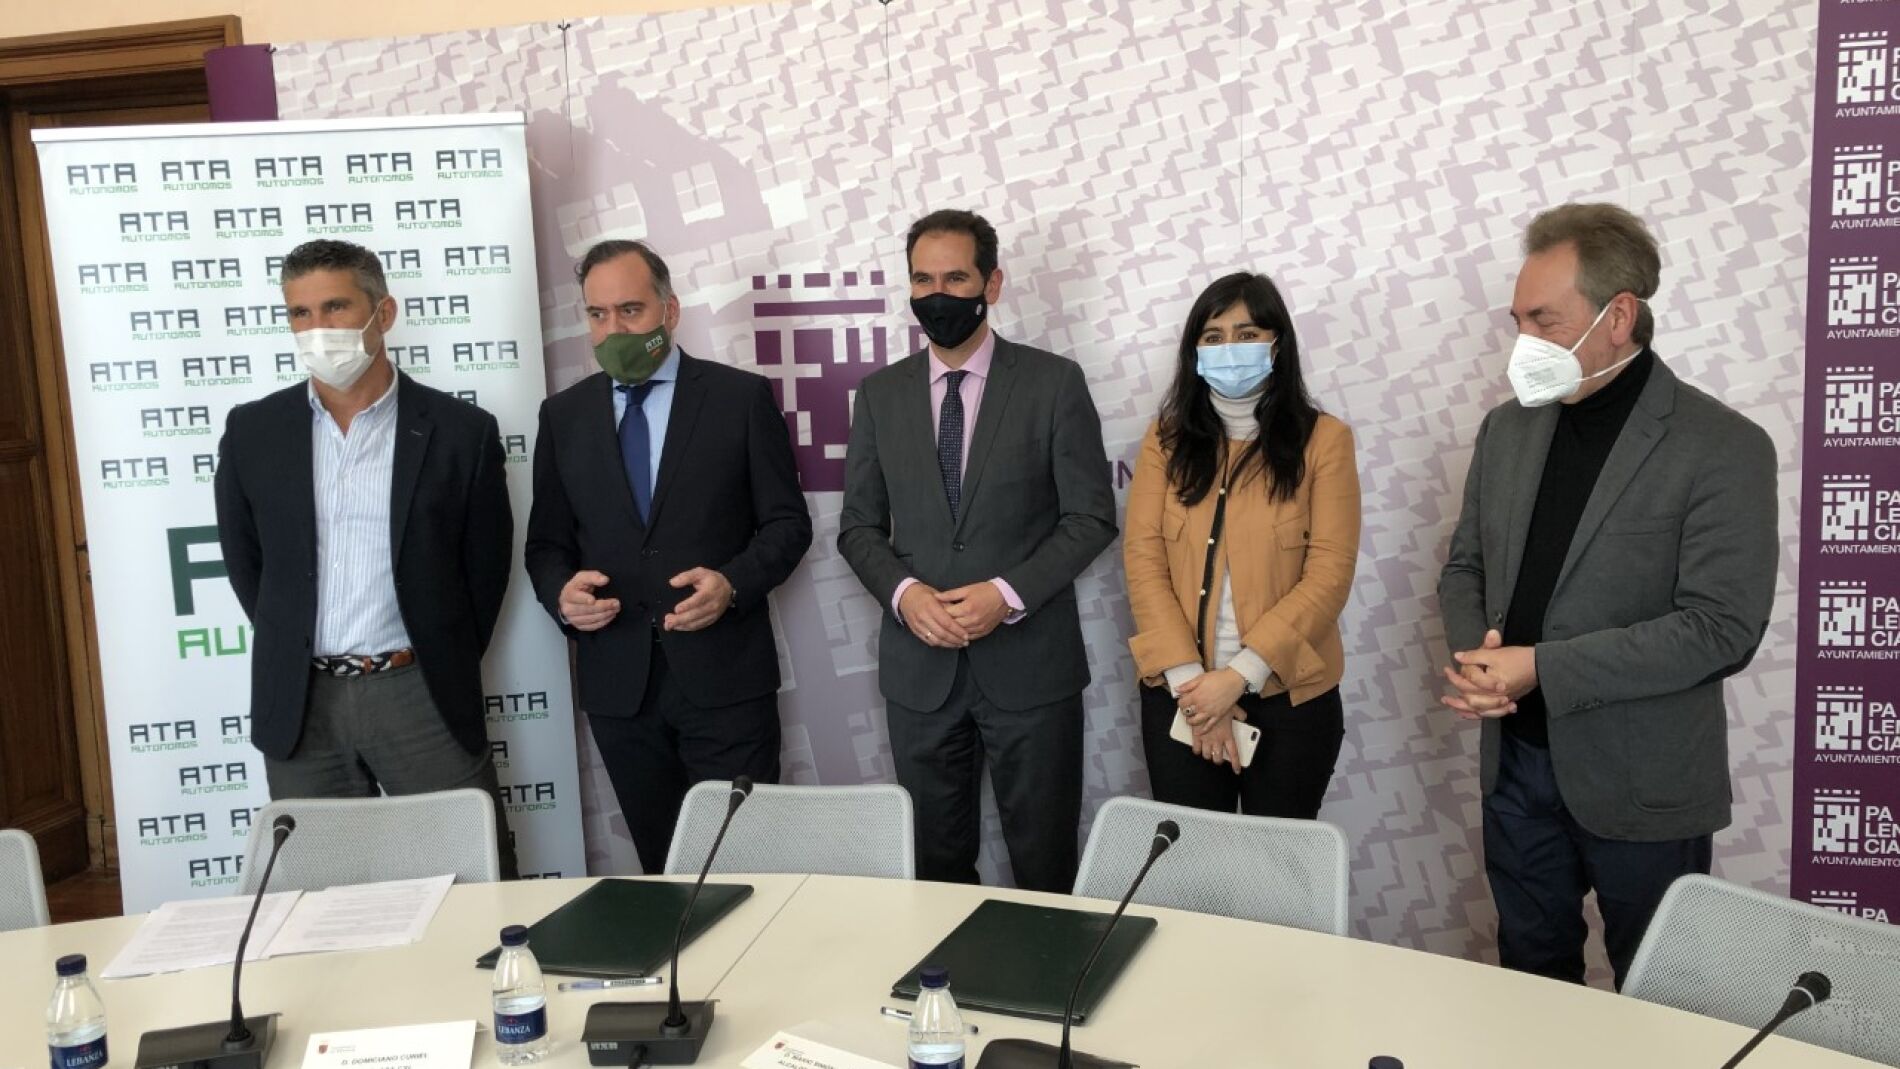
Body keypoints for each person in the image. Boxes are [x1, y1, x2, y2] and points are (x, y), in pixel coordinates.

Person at [1437, 203, 1777, 987]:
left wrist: (1543, 667)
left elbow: (1721, 628)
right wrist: (1478, 656)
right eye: (1518, 321)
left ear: (1618, 317)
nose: (1523, 342)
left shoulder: (1723, 446)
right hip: (1515, 765)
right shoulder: (1505, 430)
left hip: (1645, 782)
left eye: (1544, 320)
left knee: (1659, 996)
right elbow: (1465, 568)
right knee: (1530, 981)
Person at [214, 238, 517, 874]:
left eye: (335, 307)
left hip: (420, 694)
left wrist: (435, 655)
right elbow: (249, 565)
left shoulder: (462, 432)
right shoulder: (252, 431)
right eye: (300, 313)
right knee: (323, 893)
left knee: (470, 879)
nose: (317, 328)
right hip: (302, 706)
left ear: (384, 313)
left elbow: (484, 571)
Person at [838, 209, 1117, 891]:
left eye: (955, 278)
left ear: (991, 284)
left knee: (1045, 866)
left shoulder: (1054, 383)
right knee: (934, 872)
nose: (937, 295)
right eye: (922, 280)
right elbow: (857, 527)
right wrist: (906, 596)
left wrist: (1007, 594)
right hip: (920, 672)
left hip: (1032, 669)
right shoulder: (878, 395)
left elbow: (1090, 517)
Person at [524, 239, 811, 874]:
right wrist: (562, 598)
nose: (614, 329)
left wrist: (731, 584)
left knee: (744, 867)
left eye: (630, 310)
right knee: (663, 872)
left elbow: (787, 525)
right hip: (619, 688)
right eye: (597, 314)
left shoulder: (739, 398)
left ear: (670, 310)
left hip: (726, 680)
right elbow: (546, 545)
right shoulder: (564, 416)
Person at [1123, 272, 1359, 817]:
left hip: (1289, 698)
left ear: (1277, 344)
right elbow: (1144, 561)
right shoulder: (1164, 440)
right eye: (1213, 336)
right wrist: (1196, 692)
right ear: (1194, 351)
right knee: (1191, 864)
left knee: (1276, 865)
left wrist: (1236, 680)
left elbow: (1329, 574)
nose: (1230, 348)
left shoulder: (1325, 441)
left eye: (1247, 334)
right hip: (1180, 693)